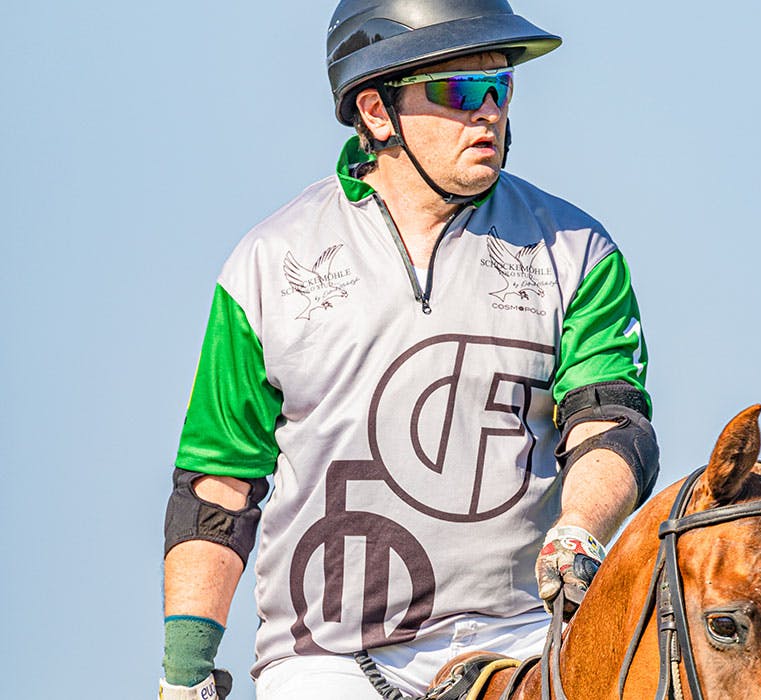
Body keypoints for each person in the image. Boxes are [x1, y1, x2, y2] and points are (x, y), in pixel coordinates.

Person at [159, 1, 659, 698]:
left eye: (500, 86)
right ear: (376, 111)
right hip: (329, 656)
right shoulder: (268, 263)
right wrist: (185, 672)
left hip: (521, 640)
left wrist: (580, 526)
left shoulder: (577, 250)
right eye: (459, 89)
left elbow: (608, 423)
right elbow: (219, 485)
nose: (489, 112)